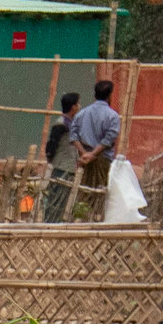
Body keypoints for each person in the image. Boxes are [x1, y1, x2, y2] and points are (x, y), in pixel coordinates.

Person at [72, 75, 124, 222]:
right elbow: (109, 139)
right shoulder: (112, 116)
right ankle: (97, 222)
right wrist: (93, 154)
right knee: (102, 191)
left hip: (84, 159)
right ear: (109, 96)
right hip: (102, 159)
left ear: (95, 95)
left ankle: (81, 221)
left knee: (84, 191)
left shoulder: (82, 114)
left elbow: (74, 135)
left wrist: (84, 154)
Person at [39, 91, 82, 222]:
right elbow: (51, 144)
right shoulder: (61, 124)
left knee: (62, 200)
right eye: (77, 104)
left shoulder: (69, 123)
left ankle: (54, 223)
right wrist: (51, 159)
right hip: (61, 167)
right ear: (73, 107)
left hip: (67, 166)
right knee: (56, 199)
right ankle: (50, 223)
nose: (79, 106)